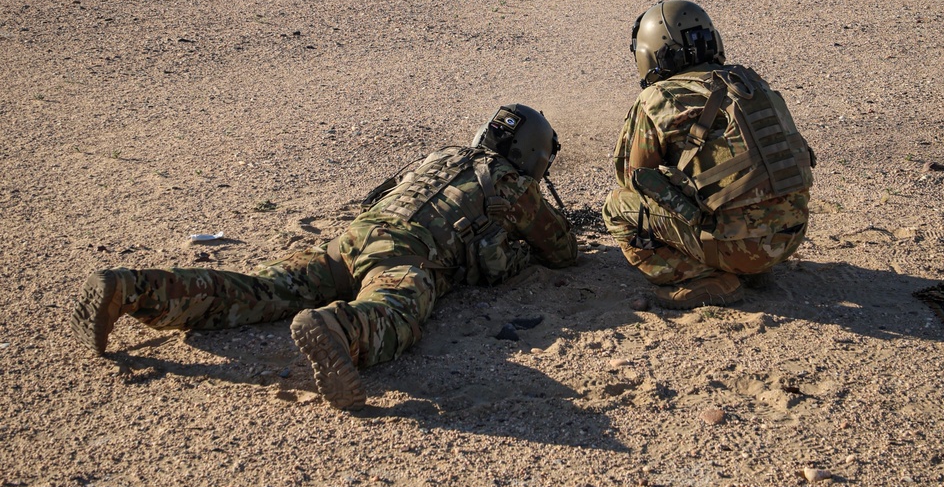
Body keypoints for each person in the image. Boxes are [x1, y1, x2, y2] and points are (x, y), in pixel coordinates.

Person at [72, 104, 577, 410]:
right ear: (532, 155)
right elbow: (562, 250)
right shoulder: (512, 184)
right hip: (403, 253)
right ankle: (339, 330)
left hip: (349, 241)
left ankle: (132, 288)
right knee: (398, 311)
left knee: (261, 290)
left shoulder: (440, 156)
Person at [603, 0, 814, 308]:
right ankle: (753, 264)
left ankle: (701, 278)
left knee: (618, 207)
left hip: (739, 247)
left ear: (649, 53)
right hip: (791, 235)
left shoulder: (657, 97)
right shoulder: (752, 83)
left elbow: (634, 178)